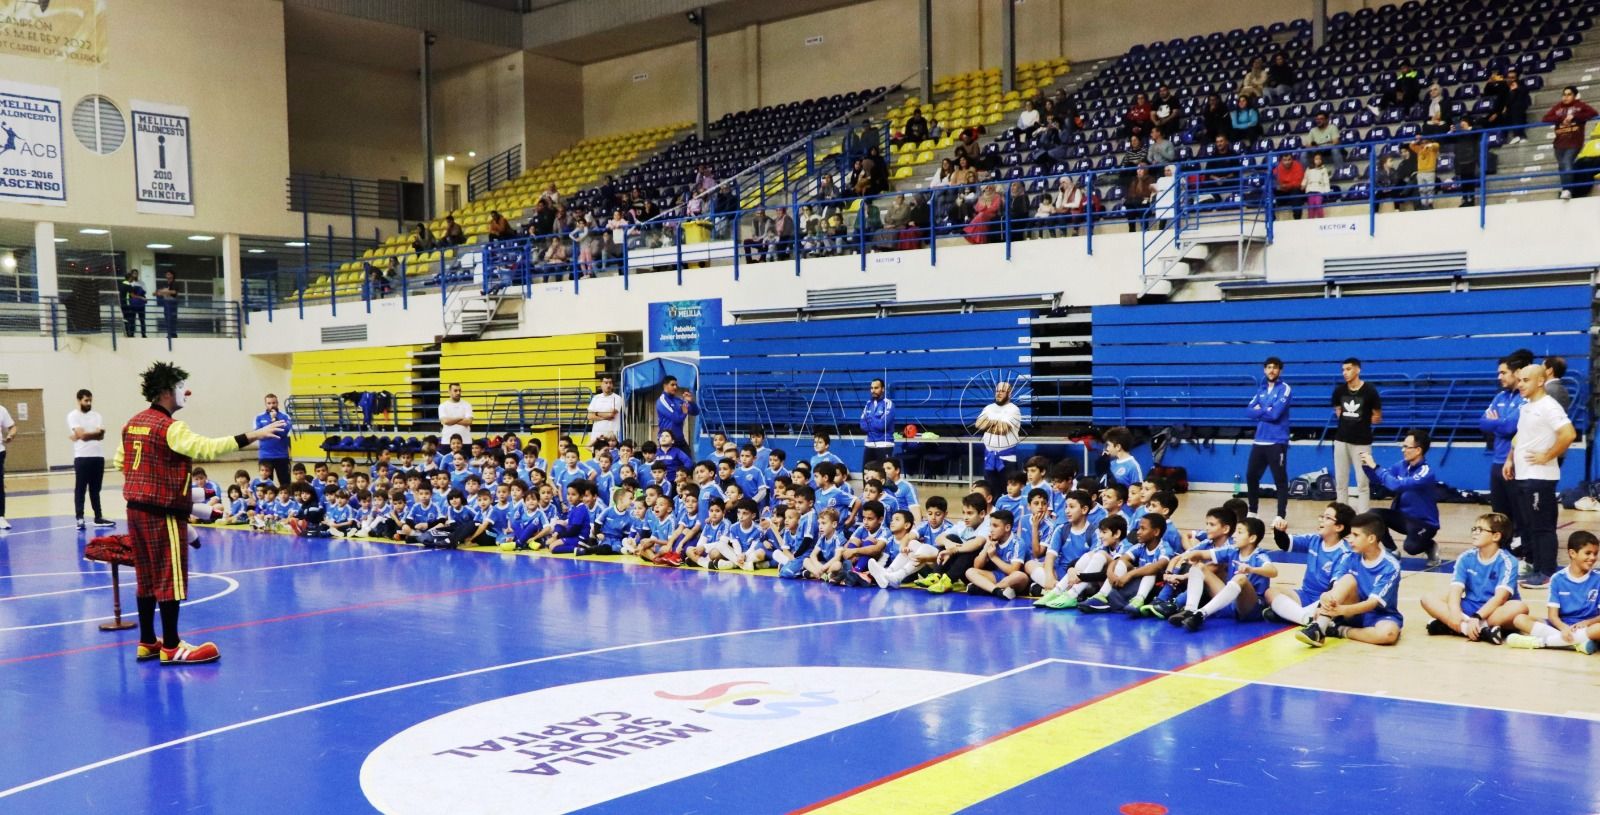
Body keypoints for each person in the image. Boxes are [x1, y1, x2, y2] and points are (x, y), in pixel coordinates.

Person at [114, 362, 286, 664]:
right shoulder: (171, 427)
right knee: (170, 577)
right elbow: (207, 448)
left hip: (135, 512)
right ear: (167, 392)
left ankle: (146, 641)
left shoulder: (133, 423)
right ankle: (171, 646)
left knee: (146, 576)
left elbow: (120, 462)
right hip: (162, 512)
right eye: (182, 388)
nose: (187, 393)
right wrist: (253, 435)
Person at [1508, 363, 1576, 588]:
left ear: (1540, 381)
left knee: (1543, 527)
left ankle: (1547, 573)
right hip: (1524, 475)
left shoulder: (1549, 406)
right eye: (1519, 381)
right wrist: (1510, 459)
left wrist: (1548, 455)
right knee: (1530, 526)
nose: (1520, 385)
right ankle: (1537, 569)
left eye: (1525, 380)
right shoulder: (1527, 406)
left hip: (1540, 477)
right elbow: (1521, 436)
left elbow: (1569, 434)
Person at [1294, 512, 1403, 647]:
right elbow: (1336, 585)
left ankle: (1339, 631)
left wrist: (1341, 610)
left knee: (1388, 635)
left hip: (1378, 615)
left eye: (1356, 535)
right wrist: (1325, 597)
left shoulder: (1390, 566)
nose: (1350, 539)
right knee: (1347, 579)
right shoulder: (1349, 556)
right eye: (1350, 534)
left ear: (1371, 538)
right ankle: (1319, 629)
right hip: (1349, 612)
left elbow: (1372, 604)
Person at [1419, 512, 1526, 643]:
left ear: (1496, 536)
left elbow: (1501, 597)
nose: (1475, 532)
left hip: (1495, 611)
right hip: (1469, 606)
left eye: (1480, 530)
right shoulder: (1466, 557)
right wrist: (1454, 612)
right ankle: (1474, 630)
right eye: (1474, 529)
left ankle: (1453, 627)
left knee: (1519, 608)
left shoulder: (1508, 561)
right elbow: (1456, 589)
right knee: (1428, 598)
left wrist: (1477, 617)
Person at [1506, 531, 1600, 653]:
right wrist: (1564, 628)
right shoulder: (1557, 578)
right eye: (1588, 553)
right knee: (1519, 619)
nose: (1592, 558)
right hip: (1560, 626)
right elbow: (1553, 616)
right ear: (1572, 553)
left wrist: (1587, 622)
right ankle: (1577, 643)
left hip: (1587, 627)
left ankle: (1542, 643)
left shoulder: (1598, 579)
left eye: (1595, 553)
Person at [1360, 430, 1440, 565]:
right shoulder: (1401, 465)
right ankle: (1392, 551)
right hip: (1403, 518)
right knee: (1373, 515)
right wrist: (1367, 467)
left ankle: (1430, 545)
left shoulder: (1426, 472)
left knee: (1411, 547)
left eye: (1406, 447)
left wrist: (1376, 466)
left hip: (1424, 523)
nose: (1403, 450)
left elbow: (1397, 485)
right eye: (1402, 446)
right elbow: (1380, 480)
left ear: (1418, 450)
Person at [1480, 356, 1526, 547]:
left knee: (1519, 513)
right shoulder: (1499, 396)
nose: (1499, 377)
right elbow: (1482, 423)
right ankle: (1503, 550)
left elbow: (1510, 427)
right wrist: (1500, 423)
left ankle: (1523, 551)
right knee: (1499, 514)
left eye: (1503, 372)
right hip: (1497, 463)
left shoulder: (1525, 398)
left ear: (1516, 373)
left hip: (1516, 463)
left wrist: (1496, 423)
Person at [1245, 357, 1292, 525]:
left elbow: (1276, 414)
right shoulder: (1261, 390)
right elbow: (1248, 411)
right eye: (1269, 367)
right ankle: (1252, 511)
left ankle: (1280, 515)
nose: (1272, 370)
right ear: (1264, 370)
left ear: (1280, 371)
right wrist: (1267, 409)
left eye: (1275, 367)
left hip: (1277, 441)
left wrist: (1260, 410)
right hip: (1259, 441)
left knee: (1279, 479)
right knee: (1251, 476)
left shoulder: (1285, 389)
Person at [1330, 358, 1381, 512]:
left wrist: (1361, 423)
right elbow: (1338, 410)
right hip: (1341, 441)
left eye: (1349, 369)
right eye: (1343, 370)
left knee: (1363, 483)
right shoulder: (1339, 391)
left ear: (1358, 370)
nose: (1345, 373)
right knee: (1341, 482)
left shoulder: (1370, 390)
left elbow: (1377, 415)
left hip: (1362, 442)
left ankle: (1363, 516)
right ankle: (1342, 514)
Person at [68, 389, 114, 531]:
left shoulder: (97, 416)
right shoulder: (73, 416)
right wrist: (91, 434)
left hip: (97, 456)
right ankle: (80, 518)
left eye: (90, 400)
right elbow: (82, 435)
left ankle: (98, 517)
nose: (88, 403)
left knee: (96, 489)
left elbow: (100, 436)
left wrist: (88, 435)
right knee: (80, 489)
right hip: (82, 457)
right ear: (79, 400)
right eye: (86, 400)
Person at [1542, 86, 1597, 199]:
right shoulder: (1558, 107)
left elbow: (1593, 113)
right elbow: (1545, 118)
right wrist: (1561, 119)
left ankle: (1567, 190)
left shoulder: (1580, 106)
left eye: (1569, 94)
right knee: (1562, 167)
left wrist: (1574, 117)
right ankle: (1566, 189)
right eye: (1564, 94)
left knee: (1567, 163)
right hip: (1559, 143)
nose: (1566, 97)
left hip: (1574, 142)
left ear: (1575, 96)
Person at [976, 381, 1022, 499]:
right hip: (990, 458)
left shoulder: (1014, 409)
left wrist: (988, 423)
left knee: (1009, 494)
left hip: (1007, 459)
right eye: (997, 391)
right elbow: (978, 424)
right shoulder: (988, 408)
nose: (999, 393)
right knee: (990, 493)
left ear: (1009, 393)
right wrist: (997, 423)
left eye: (1002, 391)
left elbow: (1003, 430)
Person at [252, 393, 293, 489]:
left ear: (277, 403)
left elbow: (283, 433)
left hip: (281, 456)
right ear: (265, 404)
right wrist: (271, 428)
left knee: (285, 484)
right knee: (265, 485)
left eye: (274, 403)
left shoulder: (285, 417)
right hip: (265, 456)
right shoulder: (259, 418)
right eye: (269, 403)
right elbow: (259, 435)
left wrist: (274, 420)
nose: (272, 405)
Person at [655, 375, 698, 451]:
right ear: (665, 386)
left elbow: (695, 412)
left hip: (680, 439)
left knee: (689, 462)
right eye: (672, 385)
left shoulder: (678, 400)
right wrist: (684, 413)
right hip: (667, 441)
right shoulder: (662, 401)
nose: (675, 387)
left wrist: (691, 402)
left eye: (676, 385)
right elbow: (676, 419)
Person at [860, 378, 895, 468]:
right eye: (871, 388)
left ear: (882, 389)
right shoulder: (868, 404)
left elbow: (882, 425)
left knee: (883, 476)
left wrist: (870, 419)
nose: (873, 390)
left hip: (884, 444)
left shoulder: (888, 403)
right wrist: (876, 420)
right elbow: (862, 425)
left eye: (876, 388)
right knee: (867, 475)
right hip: (869, 444)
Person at [586, 375, 623, 443]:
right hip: (597, 436)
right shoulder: (596, 398)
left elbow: (610, 414)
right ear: (601, 384)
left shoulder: (617, 398)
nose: (608, 385)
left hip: (611, 437)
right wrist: (604, 418)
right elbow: (589, 416)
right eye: (606, 383)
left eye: (610, 383)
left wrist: (596, 413)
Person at [439, 383, 473, 447]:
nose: (458, 393)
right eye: (455, 390)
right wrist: (461, 417)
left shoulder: (467, 405)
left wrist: (451, 420)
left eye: (459, 390)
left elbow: (469, 422)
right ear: (449, 391)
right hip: (447, 441)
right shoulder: (443, 406)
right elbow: (445, 421)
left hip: (465, 441)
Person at [1272, 153, 1305, 220]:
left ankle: (1297, 218)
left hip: (1294, 190)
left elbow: (1297, 183)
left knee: (1296, 191)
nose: (1287, 162)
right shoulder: (1278, 168)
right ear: (1281, 160)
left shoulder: (1297, 165)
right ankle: (1271, 217)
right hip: (1283, 192)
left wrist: (1285, 185)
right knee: (1270, 190)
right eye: (1285, 160)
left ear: (1292, 159)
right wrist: (1279, 186)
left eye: (1289, 160)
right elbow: (1275, 182)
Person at [118, 269, 147, 339]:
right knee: (130, 319)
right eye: (132, 276)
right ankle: (129, 334)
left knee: (126, 319)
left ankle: (128, 334)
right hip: (128, 304)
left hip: (122, 304)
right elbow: (133, 295)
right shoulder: (128, 285)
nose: (133, 278)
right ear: (130, 277)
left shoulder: (122, 283)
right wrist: (142, 298)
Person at [1303, 152, 1332, 218]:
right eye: (1316, 159)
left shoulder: (1323, 169)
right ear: (1313, 159)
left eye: (1319, 159)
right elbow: (1305, 178)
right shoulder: (1309, 169)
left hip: (1319, 190)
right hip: (1310, 189)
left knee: (1318, 205)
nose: (1318, 160)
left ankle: (1321, 220)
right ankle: (1311, 221)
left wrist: (1327, 191)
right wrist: (1303, 185)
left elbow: (1326, 181)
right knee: (1311, 207)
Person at [152, 271, 180, 339]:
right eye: (166, 274)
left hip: (172, 302)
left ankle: (173, 334)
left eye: (169, 274)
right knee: (167, 318)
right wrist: (158, 292)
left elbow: (174, 292)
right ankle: (169, 333)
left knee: (172, 318)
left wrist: (163, 291)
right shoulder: (164, 284)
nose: (167, 275)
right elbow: (156, 293)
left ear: (172, 275)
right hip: (166, 302)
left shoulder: (174, 283)